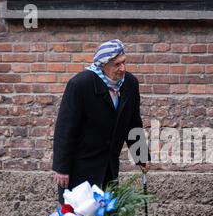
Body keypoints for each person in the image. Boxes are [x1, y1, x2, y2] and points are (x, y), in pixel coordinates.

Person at [52, 39, 150, 204]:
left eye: (124, 62)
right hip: (80, 168)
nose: (123, 68)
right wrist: (62, 169)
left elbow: (134, 122)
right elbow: (65, 129)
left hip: (109, 167)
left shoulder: (130, 84)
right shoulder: (80, 85)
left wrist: (141, 156)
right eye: (117, 64)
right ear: (103, 65)